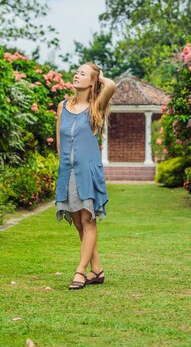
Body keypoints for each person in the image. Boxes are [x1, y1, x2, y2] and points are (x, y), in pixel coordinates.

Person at [55, 62, 116, 290]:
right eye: (76, 71)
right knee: (79, 224)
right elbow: (60, 142)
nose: (76, 75)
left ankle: (80, 272)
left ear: (92, 81)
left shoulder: (95, 107)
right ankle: (97, 269)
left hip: (87, 172)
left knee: (87, 220)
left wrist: (96, 79)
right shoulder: (63, 106)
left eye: (83, 73)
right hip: (67, 171)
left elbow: (110, 84)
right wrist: (62, 168)